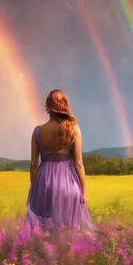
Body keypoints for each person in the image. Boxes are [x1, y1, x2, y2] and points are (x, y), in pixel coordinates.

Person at [25, 89, 93, 232]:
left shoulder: (37, 131)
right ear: (65, 105)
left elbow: (33, 165)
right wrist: (84, 192)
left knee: (45, 230)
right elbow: (78, 164)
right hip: (69, 184)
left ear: (47, 106)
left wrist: (35, 189)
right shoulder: (73, 129)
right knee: (70, 230)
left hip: (45, 184)